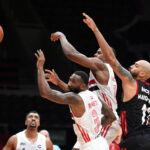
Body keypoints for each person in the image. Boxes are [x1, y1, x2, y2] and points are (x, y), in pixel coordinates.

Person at [80, 13, 150, 150]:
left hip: (135, 140)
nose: (131, 66)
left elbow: (111, 59)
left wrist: (95, 30)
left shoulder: (132, 82)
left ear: (142, 73)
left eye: (136, 65)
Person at [50, 20, 121, 148]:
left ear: (108, 57)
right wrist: (59, 82)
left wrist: (62, 36)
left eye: (99, 52)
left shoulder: (102, 66)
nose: (95, 54)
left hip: (106, 117)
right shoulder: (102, 73)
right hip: (97, 118)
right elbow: (80, 97)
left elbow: (72, 54)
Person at [35, 49, 116, 150]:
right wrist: (96, 128)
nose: (69, 83)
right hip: (96, 141)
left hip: (91, 145)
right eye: (69, 80)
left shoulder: (75, 98)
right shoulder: (94, 96)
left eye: (73, 82)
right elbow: (111, 116)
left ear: (82, 85)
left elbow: (45, 93)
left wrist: (39, 67)